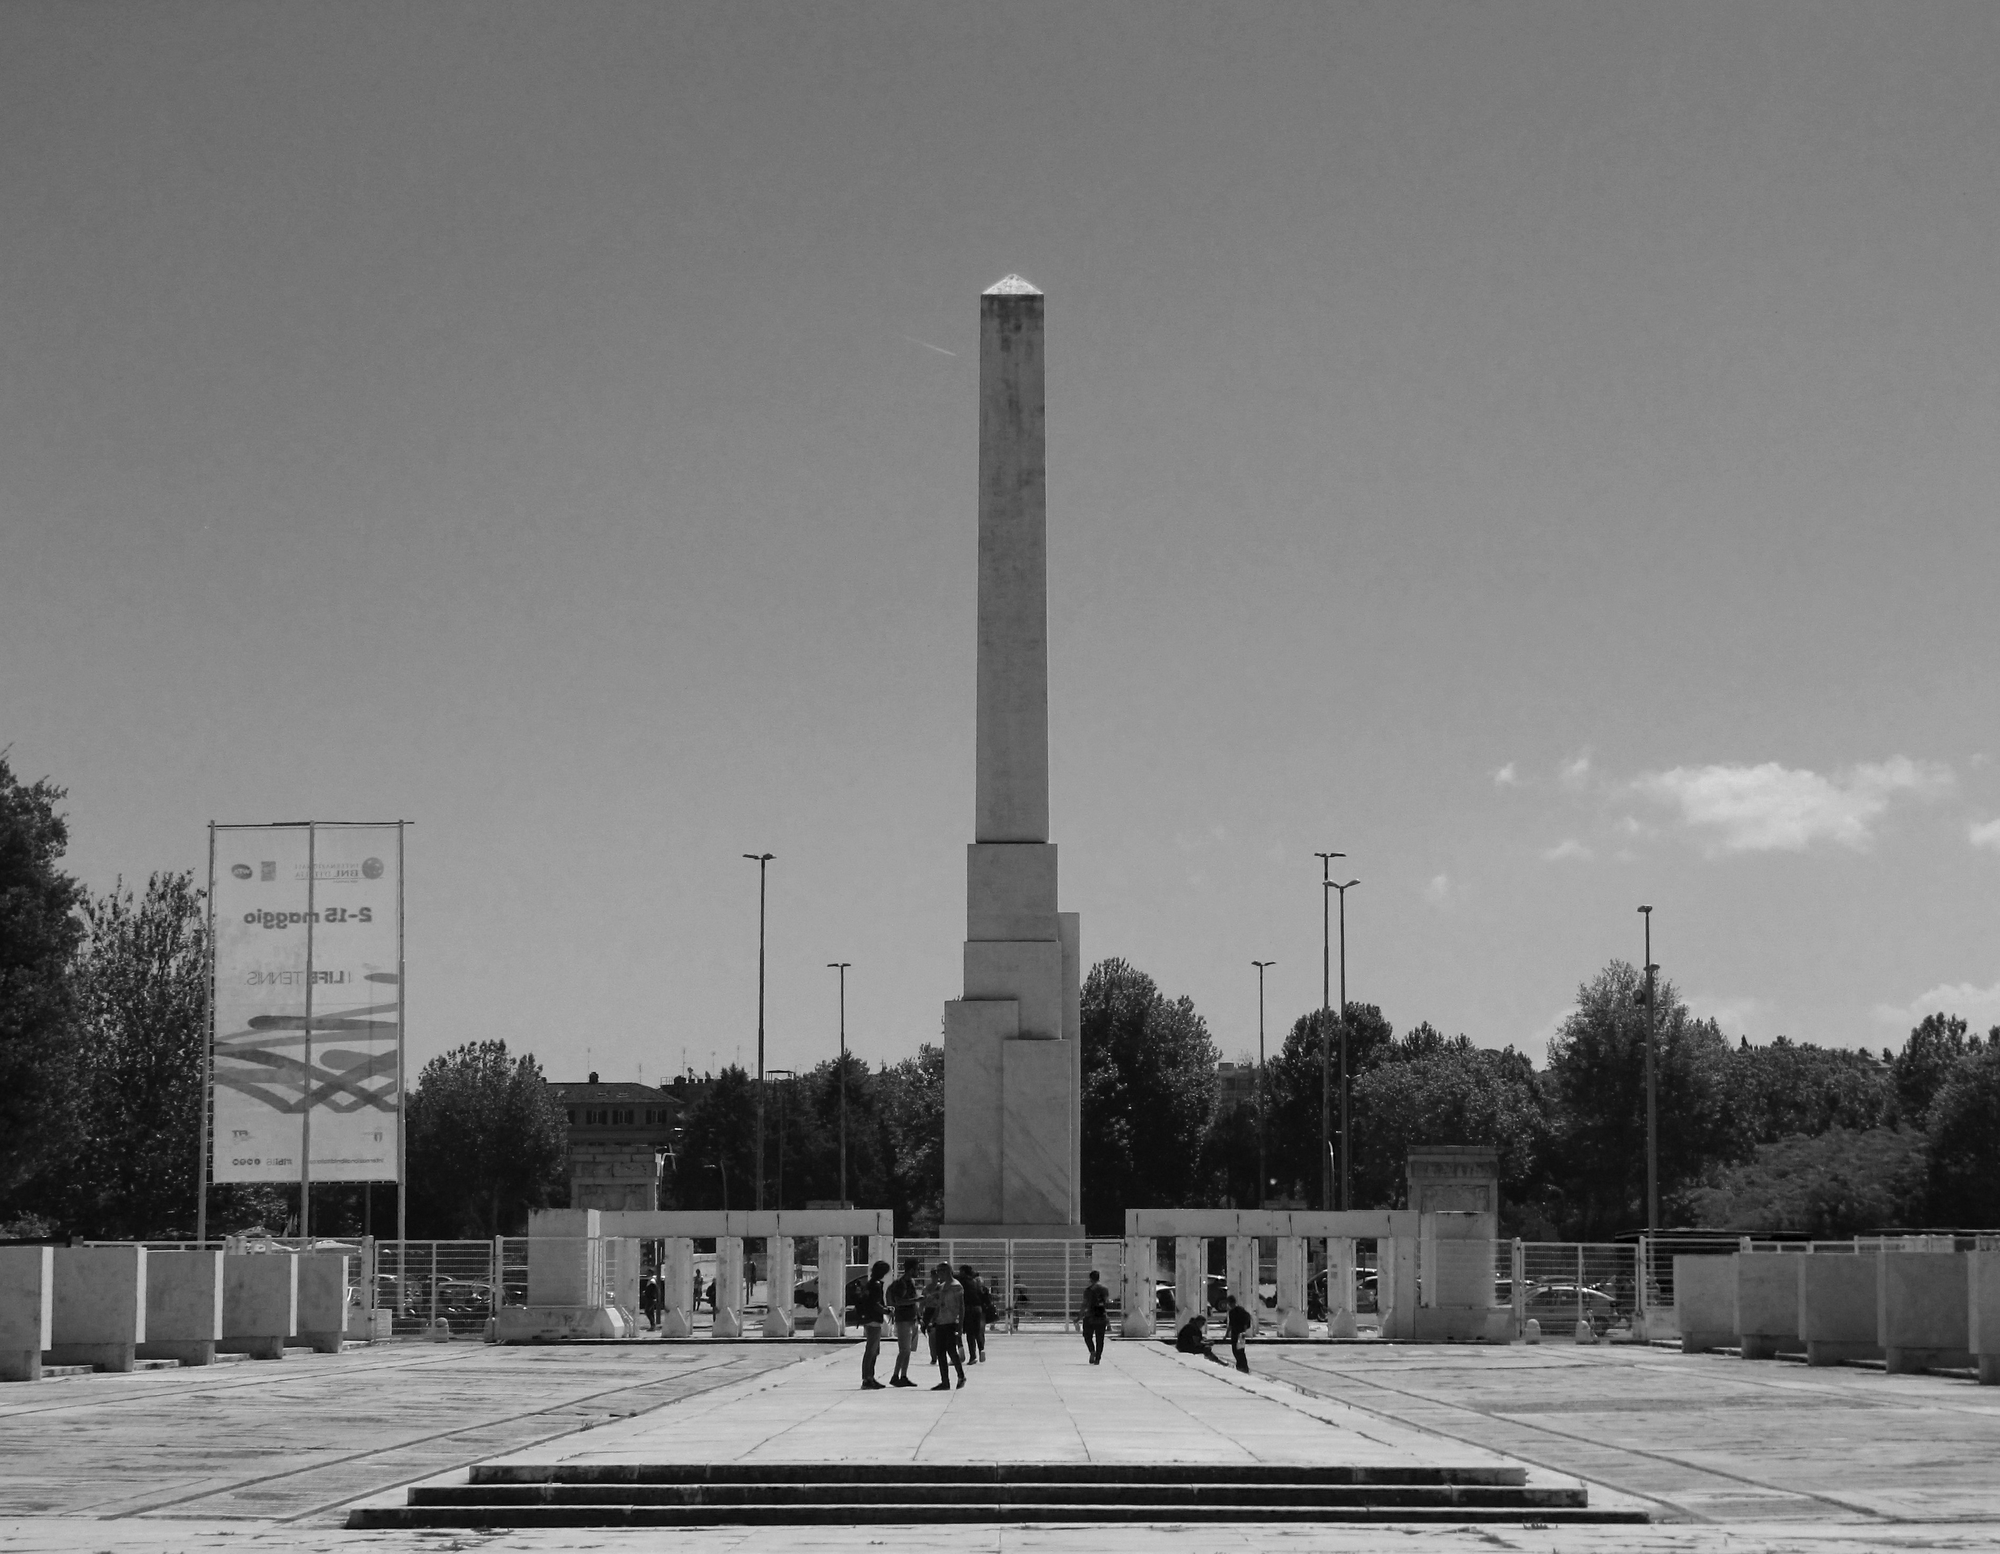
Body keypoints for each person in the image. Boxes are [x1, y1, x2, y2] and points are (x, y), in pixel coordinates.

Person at [929, 1262, 967, 1390]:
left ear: (947, 1271)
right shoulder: (941, 1286)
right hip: (941, 1322)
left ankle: (961, 1376)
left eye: (940, 1272)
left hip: (951, 1322)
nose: (938, 1275)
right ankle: (945, 1381)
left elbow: (961, 1307)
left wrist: (960, 1325)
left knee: (951, 1350)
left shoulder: (956, 1287)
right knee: (940, 1352)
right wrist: (933, 1319)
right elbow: (938, 1305)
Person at [886, 1258, 921, 1387]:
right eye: (917, 1269)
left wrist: (918, 1315)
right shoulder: (902, 1283)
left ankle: (903, 1376)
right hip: (903, 1320)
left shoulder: (910, 1282)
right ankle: (895, 1376)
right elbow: (899, 1301)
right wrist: (917, 1300)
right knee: (904, 1350)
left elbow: (913, 1301)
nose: (919, 1271)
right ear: (911, 1269)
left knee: (908, 1350)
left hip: (911, 1319)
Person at [857, 1260, 889, 1390]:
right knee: (872, 1351)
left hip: (868, 1319)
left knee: (873, 1350)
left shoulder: (870, 1284)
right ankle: (867, 1378)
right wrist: (886, 1310)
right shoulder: (876, 1285)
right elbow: (875, 1304)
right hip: (873, 1320)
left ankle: (870, 1377)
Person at [1079, 1267, 1110, 1364]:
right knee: (1100, 1338)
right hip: (1102, 1316)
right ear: (1099, 1278)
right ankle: (1098, 1359)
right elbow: (1106, 1303)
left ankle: (1092, 1351)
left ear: (1090, 1279)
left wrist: (1078, 1317)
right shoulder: (1105, 1289)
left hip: (1090, 1316)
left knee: (1087, 1336)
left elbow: (1084, 1304)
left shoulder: (1088, 1290)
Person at [958, 1265, 989, 1365]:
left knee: (970, 1334)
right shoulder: (975, 1282)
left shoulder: (963, 1281)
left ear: (963, 1272)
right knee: (977, 1332)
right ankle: (981, 1350)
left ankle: (973, 1356)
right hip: (978, 1308)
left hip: (969, 1308)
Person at [1226, 1289, 1253, 1373]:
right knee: (1240, 1350)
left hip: (1235, 1333)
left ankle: (1241, 1365)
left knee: (1235, 1350)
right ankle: (1243, 1366)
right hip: (1241, 1333)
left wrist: (1226, 1334)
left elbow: (1231, 1324)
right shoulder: (1241, 1310)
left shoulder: (1232, 1312)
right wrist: (1244, 1329)